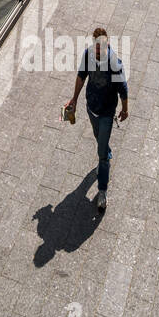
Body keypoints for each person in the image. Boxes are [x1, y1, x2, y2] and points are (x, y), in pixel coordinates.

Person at [65, 27, 128, 211]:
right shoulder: (88, 55)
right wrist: (74, 100)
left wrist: (125, 109)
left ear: (108, 44)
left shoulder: (114, 63)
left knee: (101, 155)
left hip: (107, 113)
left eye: (103, 46)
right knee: (99, 139)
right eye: (96, 47)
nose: (99, 50)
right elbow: (81, 77)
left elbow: (123, 89)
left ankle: (102, 192)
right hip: (91, 108)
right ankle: (105, 151)